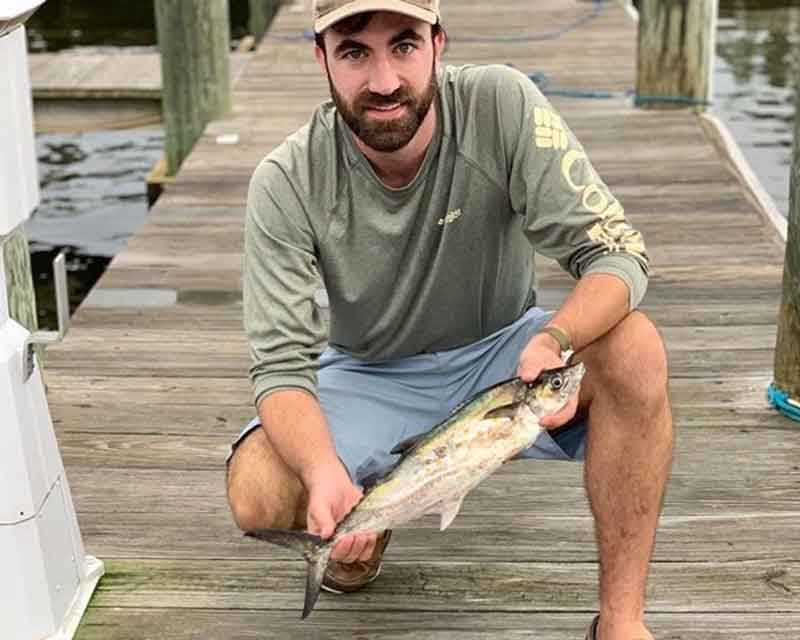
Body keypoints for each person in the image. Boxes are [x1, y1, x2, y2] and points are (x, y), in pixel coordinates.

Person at [226, 1, 673, 638]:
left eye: (404, 45)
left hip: (508, 353)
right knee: (259, 490)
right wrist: (323, 471)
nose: (384, 81)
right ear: (320, 56)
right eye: (355, 51)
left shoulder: (503, 105)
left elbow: (617, 252)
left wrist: (556, 337)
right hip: (371, 371)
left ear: (439, 43)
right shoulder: (285, 180)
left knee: (635, 347)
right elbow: (280, 366)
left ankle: (622, 624)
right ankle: (366, 516)